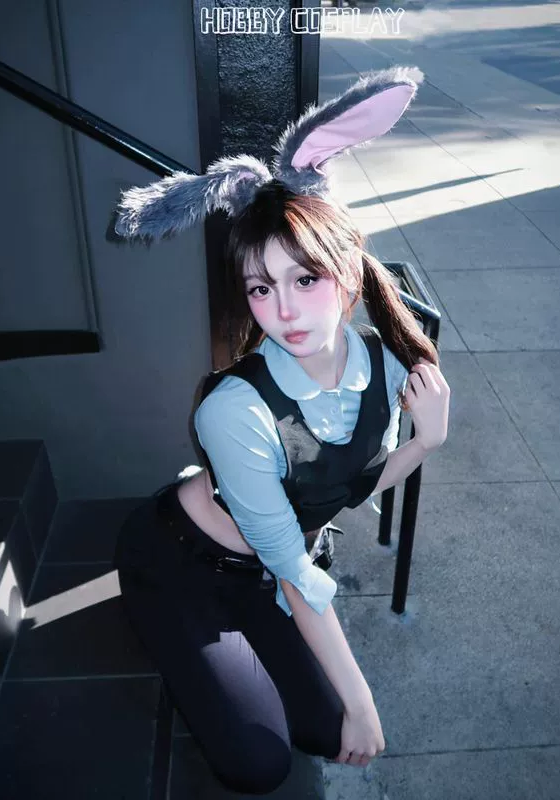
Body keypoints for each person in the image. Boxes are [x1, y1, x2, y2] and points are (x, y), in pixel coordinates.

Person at [112, 67, 450, 795]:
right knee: (261, 764)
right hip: (179, 563)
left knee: (321, 731)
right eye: (261, 288)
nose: (285, 310)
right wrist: (366, 704)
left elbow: (349, 485)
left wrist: (425, 442)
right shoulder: (234, 410)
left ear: (348, 272)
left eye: (305, 279)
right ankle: (157, 621)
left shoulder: (384, 363)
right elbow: (298, 574)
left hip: (264, 571)